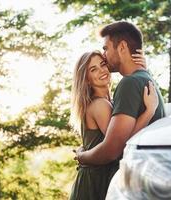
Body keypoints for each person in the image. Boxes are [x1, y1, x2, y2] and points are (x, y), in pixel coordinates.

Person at [69, 51, 159, 200]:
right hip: (96, 182)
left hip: (99, 177)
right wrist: (149, 112)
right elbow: (121, 143)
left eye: (102, 64)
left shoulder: (106, 102)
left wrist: (142, 69)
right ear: (87, 80)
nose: (102, 70)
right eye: (93, 69)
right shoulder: (100, 105)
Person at [75, 21, 165, 164]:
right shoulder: (147, 80)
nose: (104, 56)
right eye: (93, 69)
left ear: (122, 47)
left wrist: (81, 157)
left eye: (106, 49)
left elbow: (113, 150)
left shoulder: (130, 83)